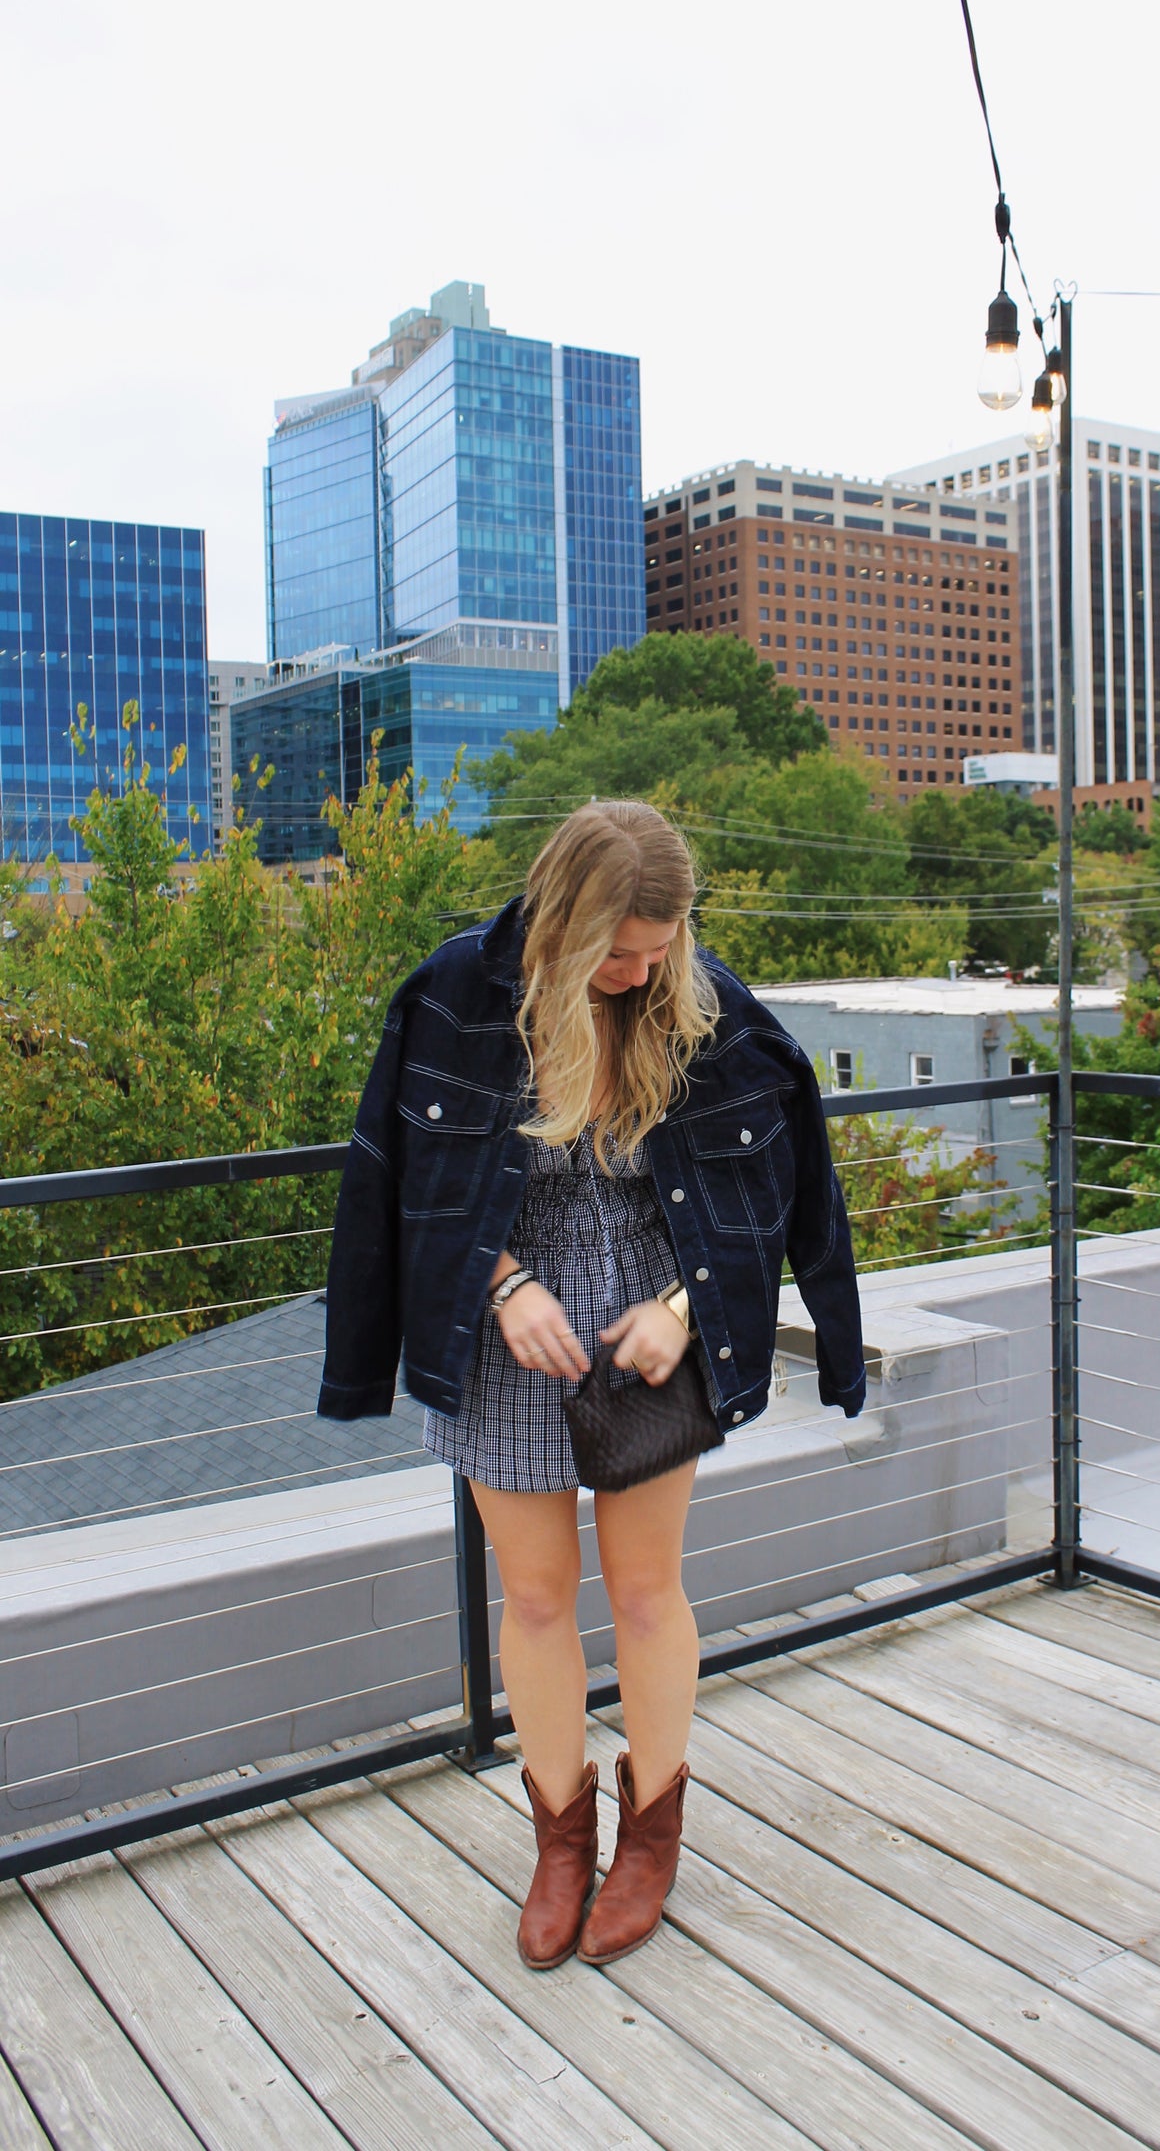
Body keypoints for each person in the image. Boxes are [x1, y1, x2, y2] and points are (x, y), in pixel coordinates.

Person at [319, 800, 866, 1968]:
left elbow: (769, 1186)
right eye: (617, 951)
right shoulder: (455, 994)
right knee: (529, 1595)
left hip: (648, 1321)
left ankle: (652, 1835)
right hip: (499, 1324)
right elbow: (405, 1177)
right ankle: (559, 1837)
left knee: (647, 1591)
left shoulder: (698, 1004)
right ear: (563, 923)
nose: (637, 971)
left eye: (657, 949)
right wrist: (505, 1282)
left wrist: (683, 1311)